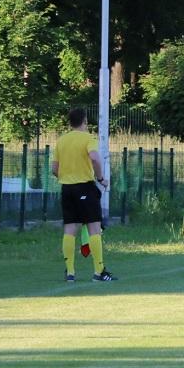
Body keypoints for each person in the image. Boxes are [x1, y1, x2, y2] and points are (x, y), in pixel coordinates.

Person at [52, 107, 115, 282]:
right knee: (94, 228)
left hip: (67, 189)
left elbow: (54, 169)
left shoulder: (62, 141)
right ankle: (98, 271)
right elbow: (94, 157)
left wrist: (66, 176)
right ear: (85, 121)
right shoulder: (88, 139)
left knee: (70, 229)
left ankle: (70, 272)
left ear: (70, 122)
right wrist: (101, 178)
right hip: (85, 188)